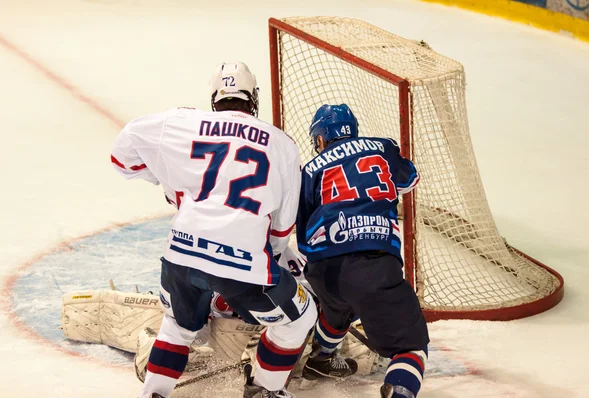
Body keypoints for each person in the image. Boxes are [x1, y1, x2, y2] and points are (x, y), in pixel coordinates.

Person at [111, 62, 317, 398]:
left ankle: (155, 393)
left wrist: (173, 184)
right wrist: (273, 261)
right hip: (242, 266)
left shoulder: (183, 121)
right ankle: (265, 389)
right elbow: (282, 228)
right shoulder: (282, 144)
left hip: (181, 256)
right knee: (301, 316)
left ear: (214, 98)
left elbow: (122, 157)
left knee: (178, 325)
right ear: (254, 98)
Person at [295, 104, 430, 398]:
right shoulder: (382, 147)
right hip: (373, 263)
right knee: (412, 347)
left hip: (323, 265)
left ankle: (321, 358)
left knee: (337, 307)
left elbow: (302, 229)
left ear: (320, 139)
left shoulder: (310, 169)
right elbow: (410, 179)